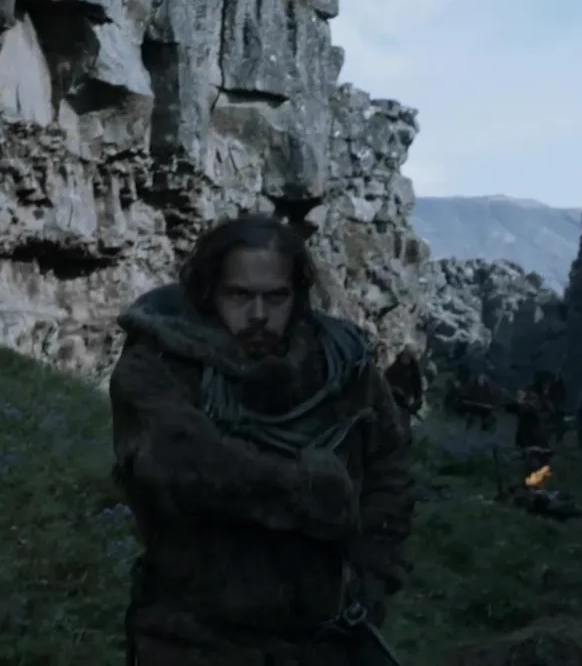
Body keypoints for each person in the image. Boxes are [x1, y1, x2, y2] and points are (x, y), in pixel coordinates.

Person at [109, 214, 415, 666]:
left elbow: (390, 468)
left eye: (275, 297)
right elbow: (175, 463)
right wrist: (308, 491)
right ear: (211, 292)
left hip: (324, 636)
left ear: (297, 295)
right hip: (192, 632)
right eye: (239, 295)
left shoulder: (342, 366)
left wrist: (369, 576)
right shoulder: (160, 359)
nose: (258, 314)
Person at [510, 388, 551, 472]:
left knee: (534, 467)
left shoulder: (529, 411)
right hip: (530, 444)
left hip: (533, 444)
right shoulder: (527, 410)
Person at [384, 348, 424, 419]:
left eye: (409, 357)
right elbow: (385, 378)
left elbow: (418, 386)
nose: (406, 359)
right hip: (390, 396)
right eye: (405, 356)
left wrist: (417, 400)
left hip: (405, 400)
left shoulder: (414, 368)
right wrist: (394, 388)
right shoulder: (395, 364)